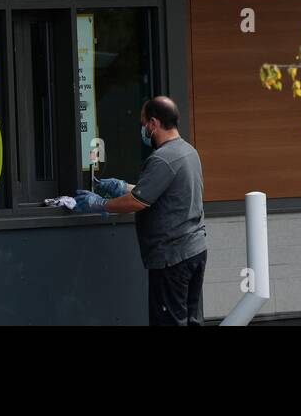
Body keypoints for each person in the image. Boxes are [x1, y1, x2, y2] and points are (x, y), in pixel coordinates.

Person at [74, 96, 208, 326]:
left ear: (153, 124)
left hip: (171, 258)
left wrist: (99, 204)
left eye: (143, 123)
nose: (142, 129)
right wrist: (122, 187)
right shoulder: (188, 151)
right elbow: (164, 191)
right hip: (194, 250)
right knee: (190, 320)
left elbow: (138, 201)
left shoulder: (163, 158)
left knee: (169, 322)